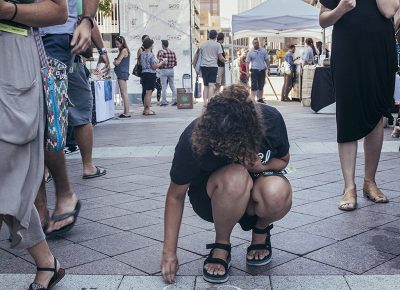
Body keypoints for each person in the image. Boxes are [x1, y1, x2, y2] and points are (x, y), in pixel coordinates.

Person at [161, 85, 292, 284]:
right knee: (236, 176)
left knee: (277, 192)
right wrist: (169, 253)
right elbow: (175, 196)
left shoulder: (271, 120)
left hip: (257, 193)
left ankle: (261, 233)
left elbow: (283, 160)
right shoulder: (194, 137)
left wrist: (259, 166)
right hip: (214, 198)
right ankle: (221, 245)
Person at [0, 1, 68, 289]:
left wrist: (9, 10)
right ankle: (46, 262)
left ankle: (46, 263)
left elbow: (58, 11)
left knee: (7, 169)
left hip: (11, 53)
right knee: (6, 178)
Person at [320, 0, 399, 211]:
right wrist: (341, 9)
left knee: (376, 114)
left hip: (379, 50)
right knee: (347, 114)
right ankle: (349, 187)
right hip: (347, 50)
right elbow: (323, 20)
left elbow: (388, 9)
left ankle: (369, 182)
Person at [35, 0, 101, 238]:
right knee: (29, 123)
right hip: (17, 33)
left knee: (48, 116)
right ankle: (39, 207)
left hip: (57, 33)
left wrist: (86, 20)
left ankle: (64, 192)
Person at [140, 38, 167, 115]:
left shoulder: (142, 54)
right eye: (152, 45)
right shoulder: (151, 55)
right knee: (149, 92)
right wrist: (162, 62)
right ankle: (148, 109)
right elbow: (154, 66)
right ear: (150, 45)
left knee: (146, 92)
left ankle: (145, 109)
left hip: (144, 74)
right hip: (150, 74)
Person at [200, 29, 226, 106]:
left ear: (209, 36)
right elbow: (221, 58)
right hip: (213, 66)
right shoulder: (217, 45)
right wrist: (226, 60)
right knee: (211, 85)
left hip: (204, 66)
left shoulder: (203, 44)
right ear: (216, 36)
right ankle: (210, 102)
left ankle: (204, 102)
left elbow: (201, 55)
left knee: (205, 85)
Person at [246, 38, 270, 103]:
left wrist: (269, 69)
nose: (256, 44)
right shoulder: (250, 52)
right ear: (253, 44)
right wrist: (247, 72)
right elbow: (247, 62)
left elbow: (267, 60)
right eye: (255, 43)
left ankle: (260, 98)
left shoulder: (263, 50)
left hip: (262, 70)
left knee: (261, 85)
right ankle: (253, 99)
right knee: (254, 86)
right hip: (254, 70)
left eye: (257, 42)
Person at [114, 35, 131, 118]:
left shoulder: (124, 50)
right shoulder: (124, 50)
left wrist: (114, 61)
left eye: (117, 44)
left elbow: (117, 62)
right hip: (122, 73)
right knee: (124, 93)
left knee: (124, 93)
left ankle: (127, 112)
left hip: (122, 73)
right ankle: (125, 111)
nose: (116, 46)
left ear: (122, 43)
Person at [159, 40, 178, 106]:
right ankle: (175, 100)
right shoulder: (172, 52)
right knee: (172, 85)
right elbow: (176, 63)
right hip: (171, 70)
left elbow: (160, 62)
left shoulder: (162, 52)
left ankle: (164, 101)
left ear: (163, 45)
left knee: (164, 86)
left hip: (164, 70)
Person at [137, 34, 149, 104]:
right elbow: (140, 61)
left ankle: (147, 102)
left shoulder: (150, 49)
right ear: (142, 40)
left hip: (150, 70)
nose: (147, 40)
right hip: (143, 71)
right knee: (144, 88)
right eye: (146, 39)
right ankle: (144, 103)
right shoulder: (140, 49)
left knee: (149, 88)